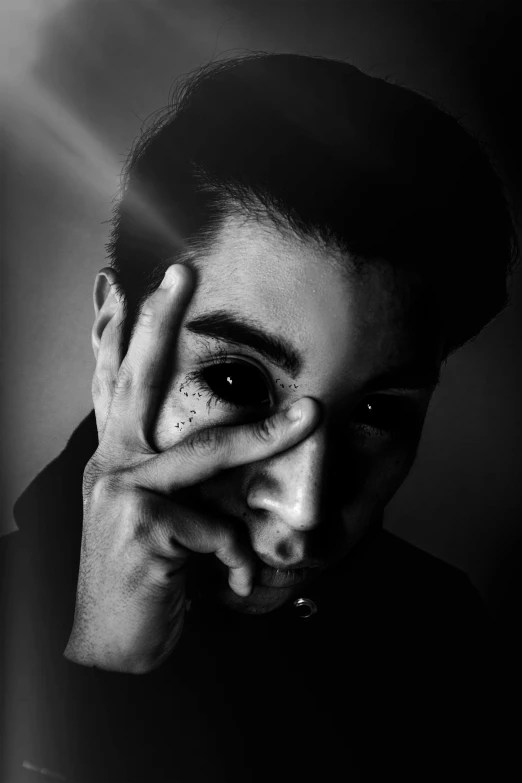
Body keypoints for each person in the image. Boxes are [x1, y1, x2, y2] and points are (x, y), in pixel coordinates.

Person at [1, 53, 518, 782]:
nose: (304, 508)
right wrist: (101, 672)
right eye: (235, 378)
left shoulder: (446, 637)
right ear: (113, 335)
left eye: (376, 410)